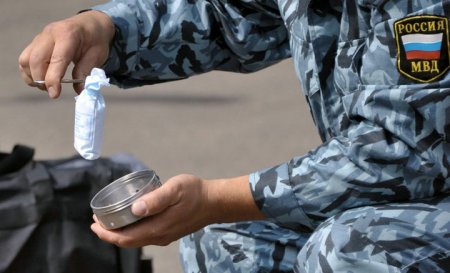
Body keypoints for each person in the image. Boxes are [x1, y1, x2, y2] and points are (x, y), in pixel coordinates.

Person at [18, 0, 450, 272]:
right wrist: (106, 28)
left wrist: (218, 199)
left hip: (420, 184)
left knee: (352, 250)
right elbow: (227, 15)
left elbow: (404, 154)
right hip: (407, 193)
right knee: (223, 243)